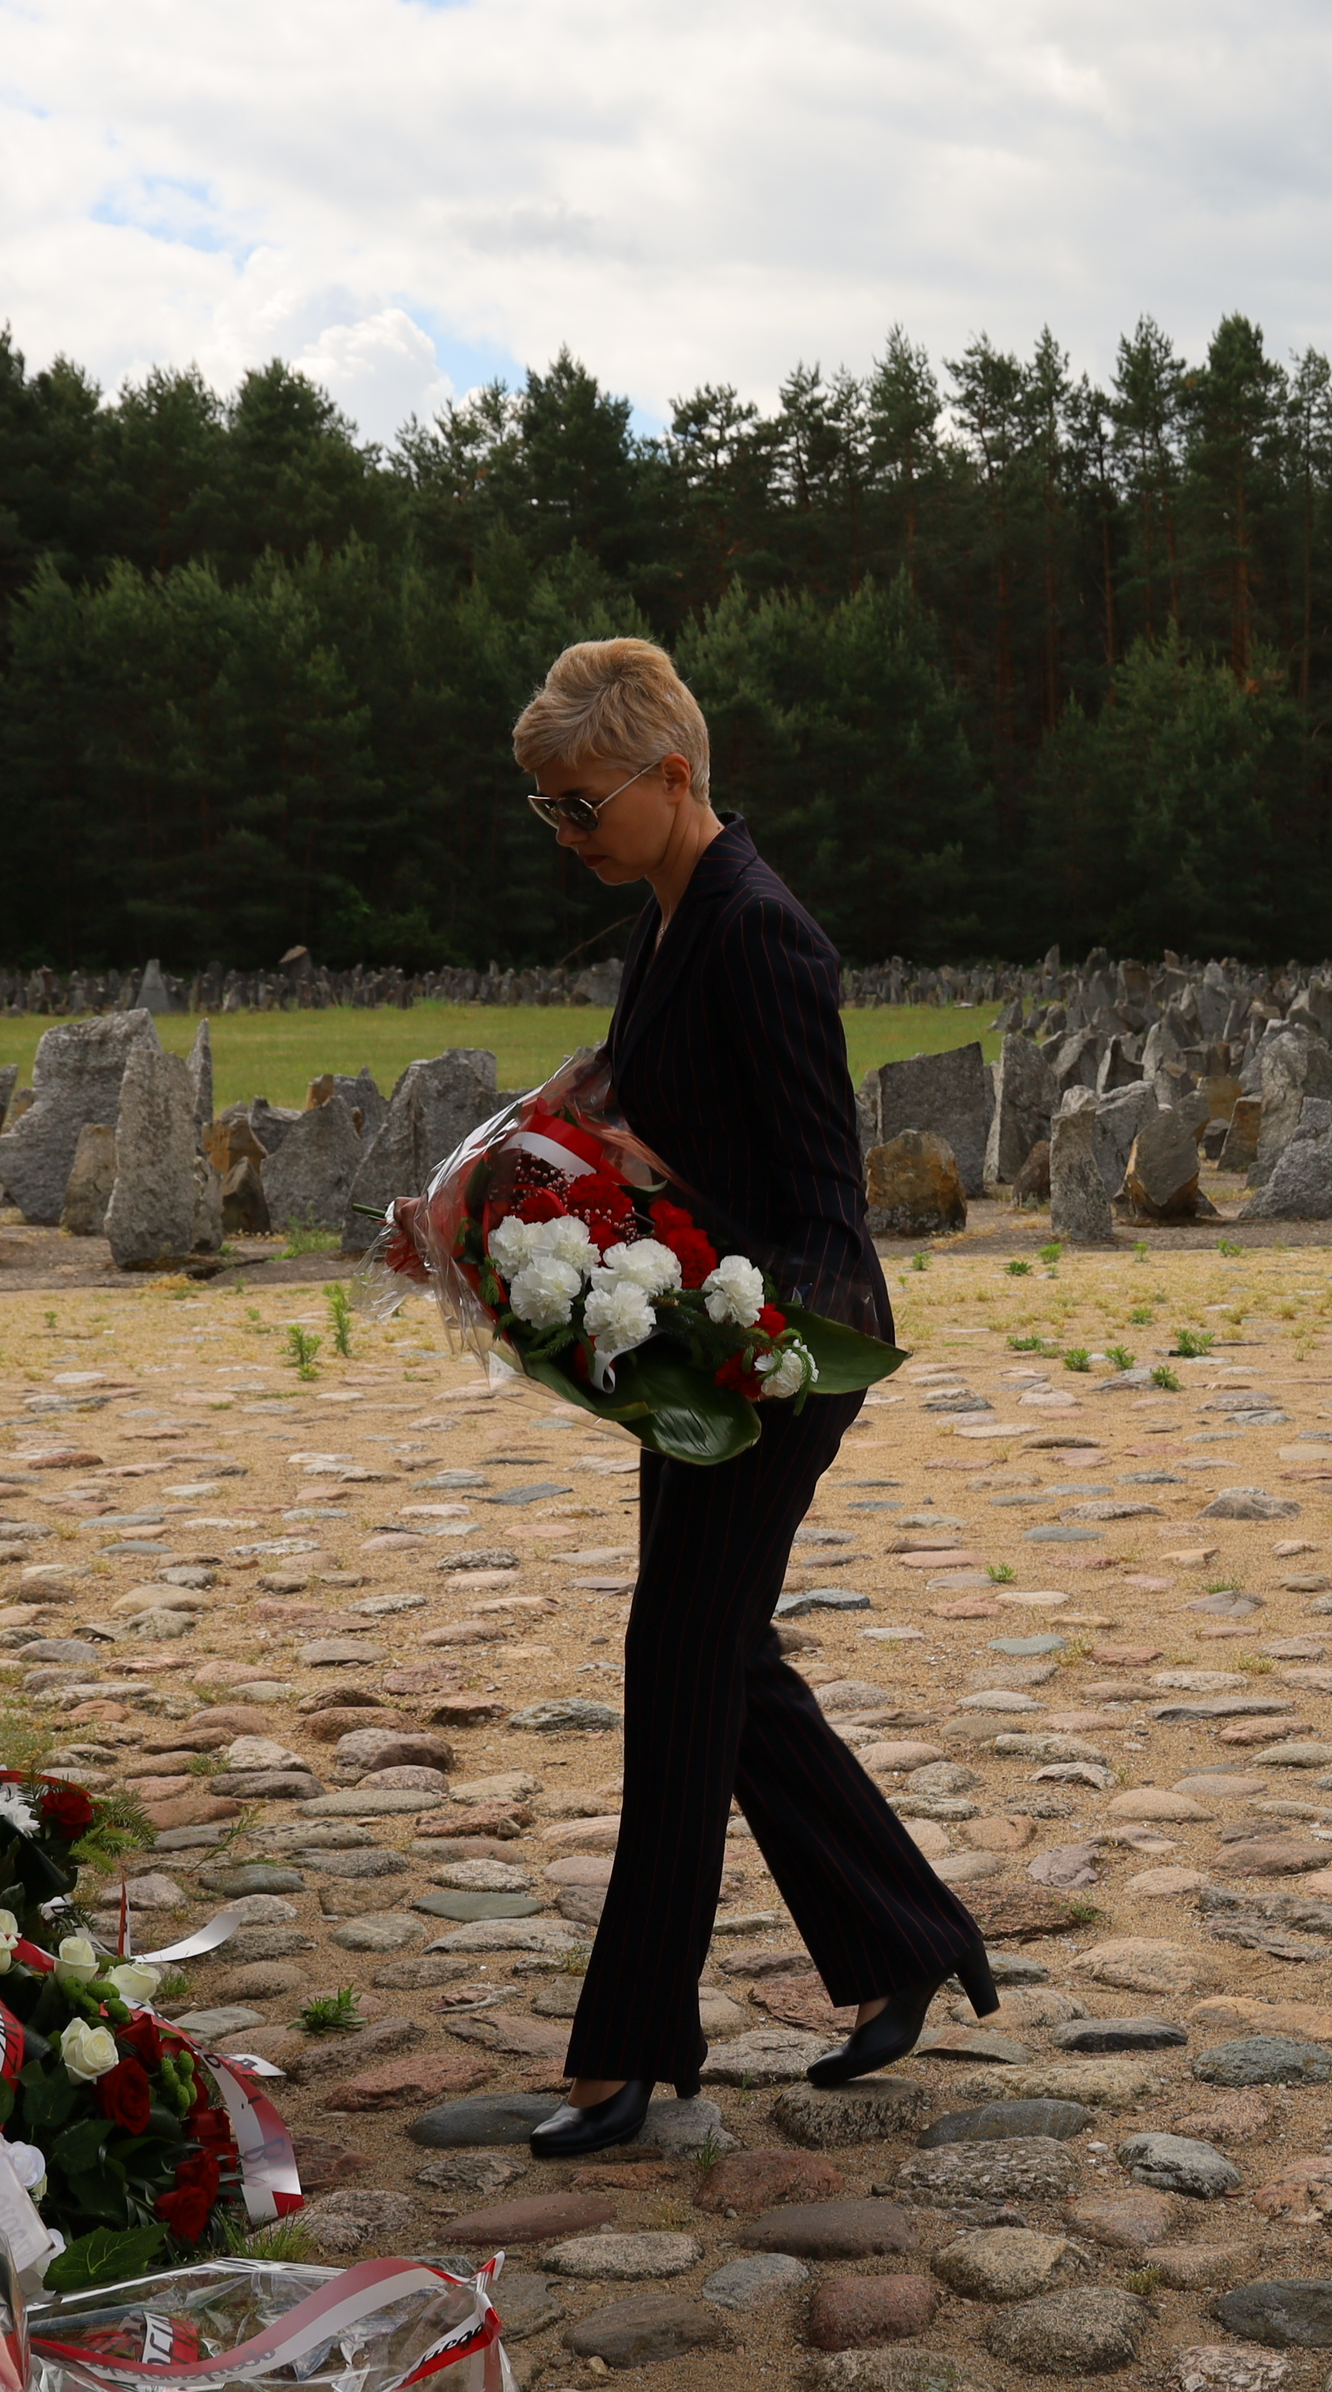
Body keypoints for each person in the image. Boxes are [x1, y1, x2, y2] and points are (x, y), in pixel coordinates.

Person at [506, 638, 995, 2160]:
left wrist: (682, 1240)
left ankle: (633, 2040)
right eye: (545, 813)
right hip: (706, 1340)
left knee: (680, 1655)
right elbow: (664, 1117)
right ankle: (903, 1933)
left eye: (578, 806)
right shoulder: (669, 919)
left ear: (670, 777)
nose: (564, 835)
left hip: (789, 1343)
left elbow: (814, 1190)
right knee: (717, 1653)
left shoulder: (763, 931)